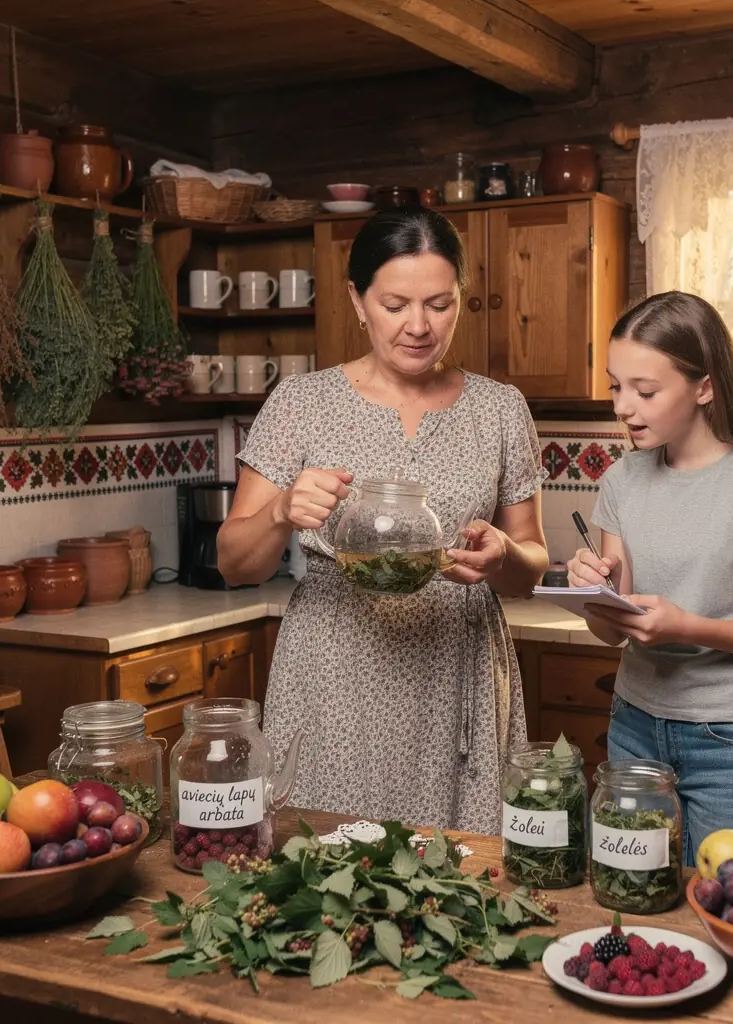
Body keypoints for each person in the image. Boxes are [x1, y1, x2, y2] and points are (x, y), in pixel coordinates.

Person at [218, 207, 549, 834]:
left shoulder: (501, 410)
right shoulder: (302, 403)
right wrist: (281, 512)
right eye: (395, 305)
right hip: (333, 679)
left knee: (457, 870)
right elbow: (235, 564)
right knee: (325, 863)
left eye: (439, 304)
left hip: (456, 676)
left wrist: (504, 555)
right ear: (357, 300)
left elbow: (531, 567)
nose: (419, 326)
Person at [566, 291, 733, 866]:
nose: (623, 407)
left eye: (645, 391)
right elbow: (613, 631)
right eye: (615, 386)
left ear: (703, 387)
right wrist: (592, 593)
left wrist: (689, 626)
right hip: (634, 726)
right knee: (630, 892)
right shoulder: (622, 480)